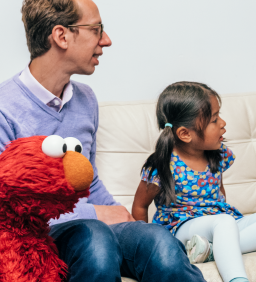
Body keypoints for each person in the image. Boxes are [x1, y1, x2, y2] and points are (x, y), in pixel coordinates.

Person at [0, 0, 206, 281]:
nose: (106, 40)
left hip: (89, 227)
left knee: (156, 239)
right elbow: (8, 208)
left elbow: (88, 180)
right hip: (37, 237)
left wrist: (121, 216)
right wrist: (96, 213)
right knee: (96, 239)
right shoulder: (4, 108)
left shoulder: (86, 99)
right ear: (61, 36)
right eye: (97, 29)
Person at [132, 81, 256, 282]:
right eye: (214, 120)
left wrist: (225, 225)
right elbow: (140, 205)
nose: (223, 123)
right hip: (180, 228)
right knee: (224, 222)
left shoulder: (217, 155)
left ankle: (212, 251)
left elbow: (220, 195)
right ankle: (237, 279)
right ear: (185, 133)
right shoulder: (162, 165)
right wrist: (146, 247)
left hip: (219, 223)